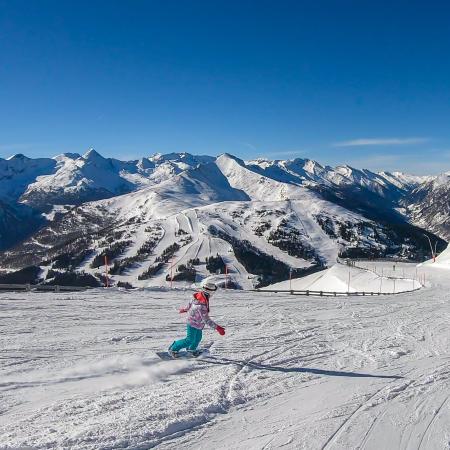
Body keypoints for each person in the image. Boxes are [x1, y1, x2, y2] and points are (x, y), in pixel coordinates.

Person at [168, 282, 225, 358]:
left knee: (197, 338)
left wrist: (185, 309)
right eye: (213, 292)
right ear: (210, 292)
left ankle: (191, 350)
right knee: (189, 340)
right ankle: (173, 348)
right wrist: (218, 328)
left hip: (198, 323)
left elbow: (190, 304)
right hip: (192, 323)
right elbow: (206, 319)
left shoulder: (197, 296)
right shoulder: (202, 305)